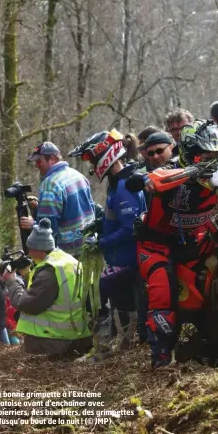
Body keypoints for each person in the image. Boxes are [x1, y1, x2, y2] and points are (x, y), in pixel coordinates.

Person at [134, 120, 218, 367]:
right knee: (162, 290)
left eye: (161, 150)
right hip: (157, 245)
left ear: (173, 147)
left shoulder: (208, 167)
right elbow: (137, 176)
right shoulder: (162, 173)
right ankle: (161, 354)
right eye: (152, 153)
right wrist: (142, 179)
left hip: (197, 236)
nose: (156, 156)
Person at [68, 130, 148, 358]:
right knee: (123, 301)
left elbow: (129, 227)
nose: (92, 165)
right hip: (120, 256)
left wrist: (102, 243)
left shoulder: (124, 186)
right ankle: (124, 346)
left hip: (126, 258)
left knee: (92, 296)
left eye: (93, 159)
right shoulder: (117, 183)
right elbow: (116, 220)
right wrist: (100, 225)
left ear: (105, 155)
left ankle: (102, 348)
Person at [4, 219, 92, 356]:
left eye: (30, 249)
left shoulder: (49, 272)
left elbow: (27, 304)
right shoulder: (69, 261)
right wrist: (28, 275)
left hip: (56, 340)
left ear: (38, 249)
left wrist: (11, 282)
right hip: (80, 335)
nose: (29, 254)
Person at [21, 141, 94, 257]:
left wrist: (32, 225)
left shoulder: (50, 184)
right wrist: (39, 207)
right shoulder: (78, 176)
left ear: (52, 159)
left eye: (39, 161)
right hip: (90, 248)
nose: (37, 165)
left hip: (69, 255)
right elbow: (88, 210)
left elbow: (48, 229)